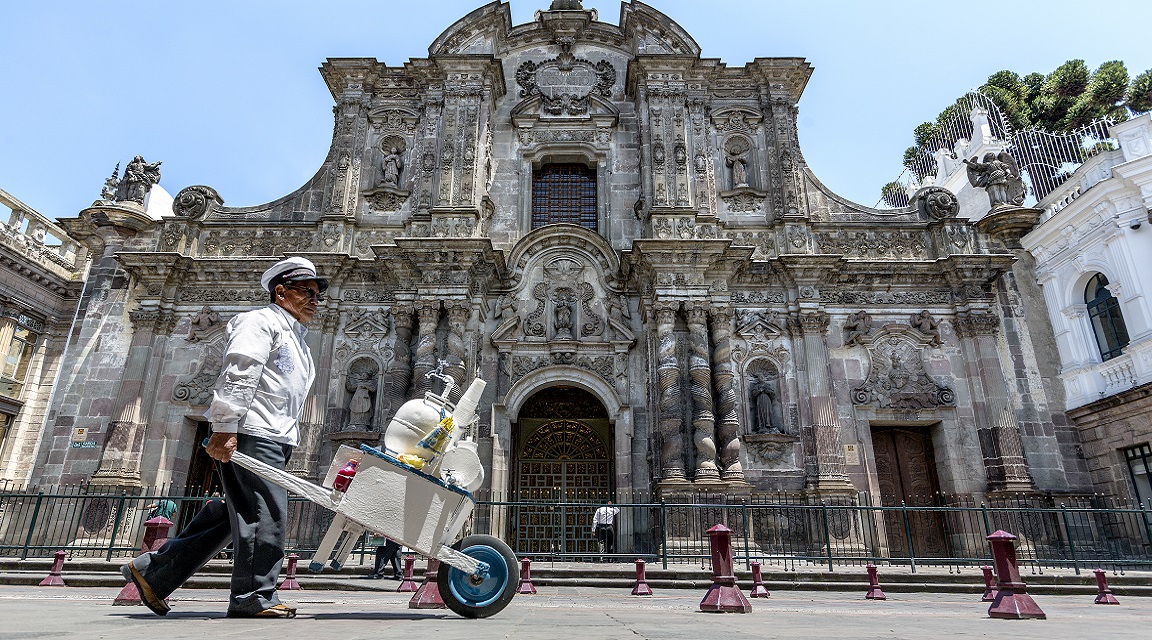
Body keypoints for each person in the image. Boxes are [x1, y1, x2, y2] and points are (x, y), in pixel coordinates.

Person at [121, 256, 328, 619]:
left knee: (231, 513)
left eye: (317, 294)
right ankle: (253, 596)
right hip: (254, 432)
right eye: (306, 291)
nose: (314, 299)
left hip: (275, 436)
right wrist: (225, 426)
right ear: (280, 292)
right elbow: (240, 371)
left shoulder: (298, 338)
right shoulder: (260, 322)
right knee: (264, 514)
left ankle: (154, 571)